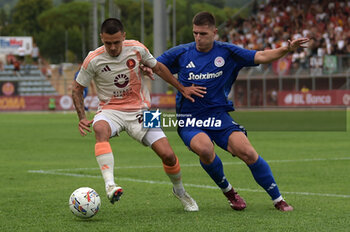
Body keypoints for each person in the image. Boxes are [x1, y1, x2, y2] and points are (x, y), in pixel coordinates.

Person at [156, 12, 309, 211]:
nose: (198, 38)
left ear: (214, 32)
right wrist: (181, 87)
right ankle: (229, 191)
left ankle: (278, 199)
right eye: (195, 33)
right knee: (204, 149)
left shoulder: (228, 52)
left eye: (203, 33)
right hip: (190, 119)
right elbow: (156, 65)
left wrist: (287, 49)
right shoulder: (182, 52)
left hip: (219, 116)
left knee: (248, 152)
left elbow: (262, 56)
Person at [72, 18, 206, 211]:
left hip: (141, 110)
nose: (113, 47)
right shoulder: (93, 58)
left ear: (124, 36)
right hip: (110, 111)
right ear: (101, 38)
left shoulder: (137, 48)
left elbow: (158, 68)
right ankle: (110, 184)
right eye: (108, 43)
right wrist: (82, 118)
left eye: (117, 42)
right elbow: (77, 88)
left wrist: (182, 88)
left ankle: (180, 192)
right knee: (100, 128)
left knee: (168, 155)